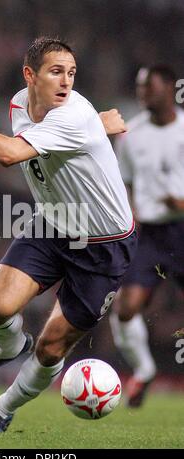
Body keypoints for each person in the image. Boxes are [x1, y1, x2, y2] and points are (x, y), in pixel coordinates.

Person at [0, 37, 137, 432]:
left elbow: (7, 154)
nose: (66, 81)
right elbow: (67, 137)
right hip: (56, 222)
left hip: (104, 245)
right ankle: (7, 347)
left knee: (52, 347)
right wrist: (97, 127)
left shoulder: (73, 115)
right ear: (29, 75)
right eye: (56, 71)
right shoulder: (20, 104)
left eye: (72, 73)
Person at [110, 65, 184, 407]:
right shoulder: (131, 135)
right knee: (125, 308)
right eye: (139, 88)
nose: (143, 94)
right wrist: (131, 213)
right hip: (152, 235)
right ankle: (143, 371)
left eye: (149, 87)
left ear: (170, 87)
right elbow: (125, 184)